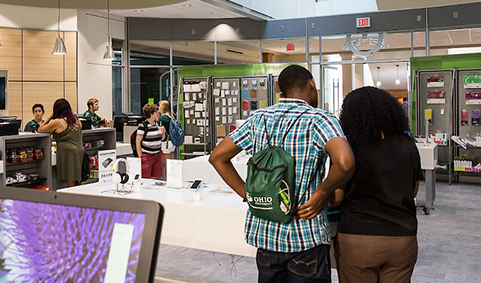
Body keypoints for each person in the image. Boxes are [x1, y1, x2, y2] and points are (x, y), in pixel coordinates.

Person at [209, 65, 355, 283]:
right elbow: (345, 163)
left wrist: (247, 195)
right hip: (306, 236)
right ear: (312, 84)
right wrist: (322, 193)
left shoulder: (258, 119)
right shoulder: (319, 119)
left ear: (281, 91)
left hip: (265, 235)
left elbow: (217, 157)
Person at [334, 87, 422, 283]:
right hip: (403, 237)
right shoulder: (408, 144)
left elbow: (337, 198)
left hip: (359, 237)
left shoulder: (348, 147)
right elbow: (413, 190)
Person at [38, 99, 84, 187]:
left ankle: (71, 199)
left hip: (68, 152)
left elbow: (40, 129)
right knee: (76, 178)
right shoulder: (76, 120)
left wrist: (49, 117)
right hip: (79, 149)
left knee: (70, 179)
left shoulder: (57, 122)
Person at [136, 103, 164, 179]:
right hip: (147, 155)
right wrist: (140, 156)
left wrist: (163, 132)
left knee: (156, 176)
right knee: (146, 177)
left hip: (157, 154)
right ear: (151, 114)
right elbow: (138, 142)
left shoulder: (158, 124)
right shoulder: (143, 125)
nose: (158, 112)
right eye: (156, 111)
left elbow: (161, 139)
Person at [158, 100, 175, 171]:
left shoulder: (162, 118)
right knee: (171, 162)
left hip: (166, 142)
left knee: (166, 164)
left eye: (160, 106)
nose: (158, 108)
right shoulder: (171, 117)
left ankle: (169, 180)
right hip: (172, 142)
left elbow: (160, 131)